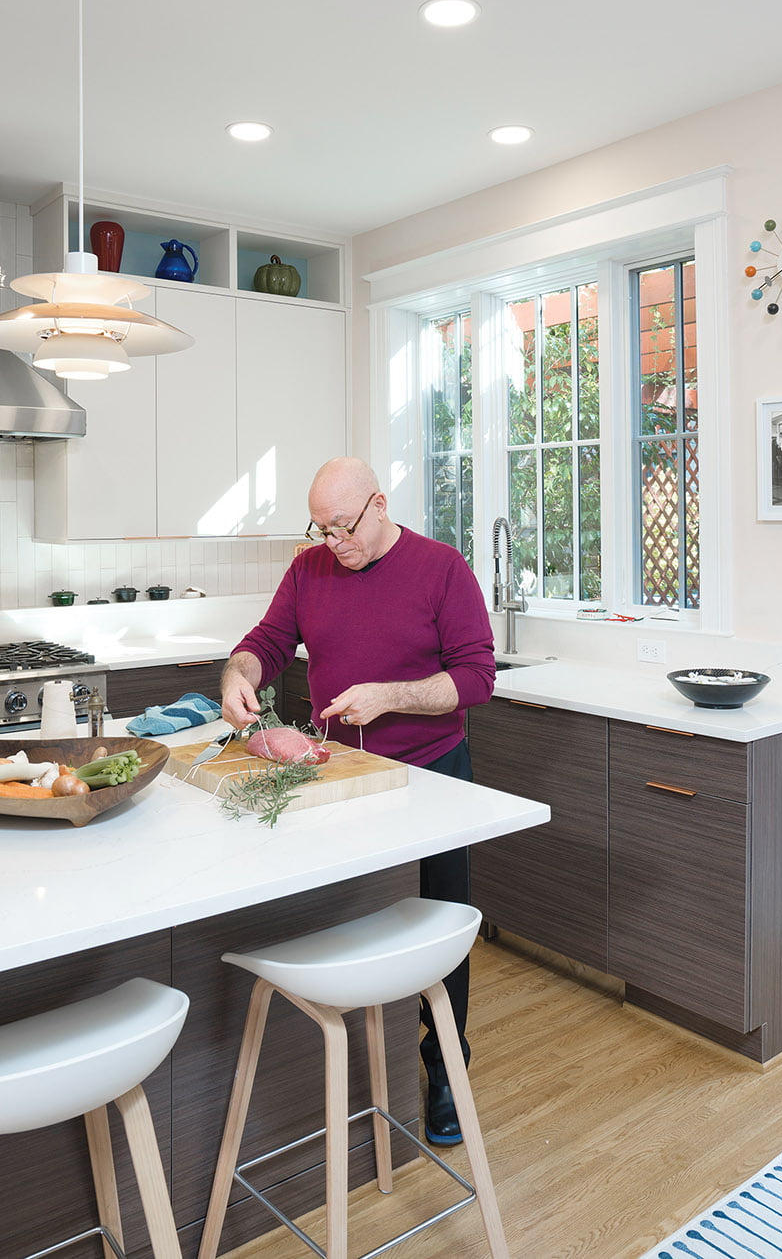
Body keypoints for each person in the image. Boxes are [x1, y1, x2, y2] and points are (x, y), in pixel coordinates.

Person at [221, 457, 496, 1147]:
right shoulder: (310, 570)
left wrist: (392, 693)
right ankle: (352, 1071)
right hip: (341, 774)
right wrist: (238, 674)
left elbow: (475, 676)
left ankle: (443, 1070)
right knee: (353, 925)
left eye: (343, 526)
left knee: (438, 930)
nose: (332, 541)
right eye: (320, 528)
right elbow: (267, 644)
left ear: (379, 504)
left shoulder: (441, 568)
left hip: (432, 775)